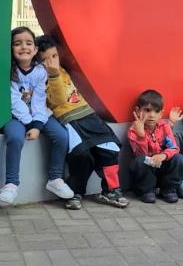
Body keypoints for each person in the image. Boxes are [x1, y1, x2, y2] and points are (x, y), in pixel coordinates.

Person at [35, 36, 128, 209]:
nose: (52, 62)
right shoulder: (41, 76)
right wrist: (53, 75)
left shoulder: (62, 70)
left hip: (88, 115)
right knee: (81, 156)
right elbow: (59, 100)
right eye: (45, 59)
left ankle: (111, 190)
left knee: (109, 149)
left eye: (54, 56)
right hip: (70, 120)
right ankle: (75, 192)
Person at [0, 27, 74, 205]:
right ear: (10, 48)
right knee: (15, 138)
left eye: (28, 43)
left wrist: (37, 125)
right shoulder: (9, 71)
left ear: (35, 49)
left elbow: (39, 100)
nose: (23, 47)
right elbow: (14, 101)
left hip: (38, 116)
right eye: (17, 43)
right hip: (15, 117)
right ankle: (11, 184)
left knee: (62, 136)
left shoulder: (40, 71)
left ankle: (55, 179)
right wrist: (30, 124)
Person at [126, 89, 183, 204]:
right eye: (147, 110)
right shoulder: (133, 130)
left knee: (180, 159)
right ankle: (147, 191)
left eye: (156, 111)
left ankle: (169, 189)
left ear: (161, 113)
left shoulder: (164, 126)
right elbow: (141, 154)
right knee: (140, 161)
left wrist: (164, 155)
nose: (151, 115)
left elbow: (174, 147)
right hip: (146, 170)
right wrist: (141, 135)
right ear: (138, 110)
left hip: (162, 165)